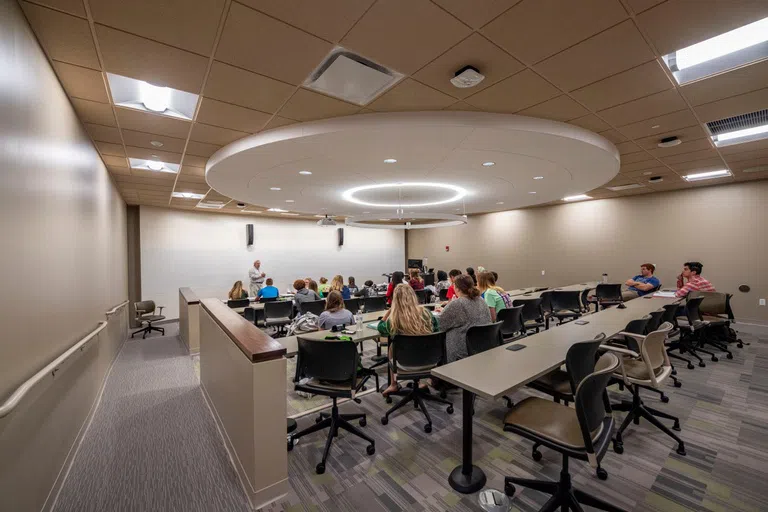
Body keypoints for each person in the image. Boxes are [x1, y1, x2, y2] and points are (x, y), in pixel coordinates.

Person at [377, 284, 439, 396]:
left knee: (392, 347)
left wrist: (388, 312)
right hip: (430, 361)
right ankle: (419, 381)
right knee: (421, 341)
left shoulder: (394, 320)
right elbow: (437, 331)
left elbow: (380, 328)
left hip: (404, 364)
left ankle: (394, 384)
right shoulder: (427, 313)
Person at [438, 275, 492, 363]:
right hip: (482, 348)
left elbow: (440, 325)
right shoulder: (481, 300)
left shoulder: (457, 304)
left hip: (461, 353)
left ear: (458, 289)